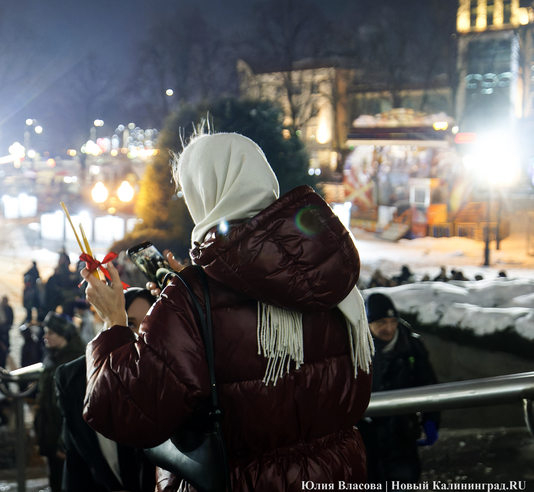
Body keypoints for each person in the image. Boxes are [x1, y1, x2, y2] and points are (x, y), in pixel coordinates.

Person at [82, 132, 373, 490]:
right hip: (339, 473)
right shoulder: (331, 271)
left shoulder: (196, 296)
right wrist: (188, 298)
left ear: (204, 192)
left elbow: (124, 410)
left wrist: (114, 322)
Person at [55, 287, 157, 492]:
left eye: (149, 326)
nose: (139, 335)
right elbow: (76, 462)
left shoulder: (166, 378)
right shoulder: (74, 378)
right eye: (129, 324)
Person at [358, 293, 439, 484]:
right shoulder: (356, 348)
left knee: (402, 480)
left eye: (393, 321)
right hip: (365, 434)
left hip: (401, 432)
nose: (389, 328)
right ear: (367, 323)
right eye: (381, 322)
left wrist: (431, 419)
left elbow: (428, 383)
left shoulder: (411, 345)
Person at [35, 311, 85, 492]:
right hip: (52, 434)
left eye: (51, 332)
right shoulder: (54, 357)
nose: (45, 336)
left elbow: (73, 408)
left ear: (63, 335)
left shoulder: (73, 362)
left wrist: (63, 443)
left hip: (64, 441)